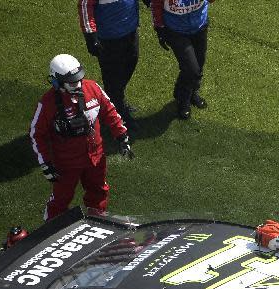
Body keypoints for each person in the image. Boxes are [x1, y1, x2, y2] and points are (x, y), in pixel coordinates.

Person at [30, 54, 134, 221]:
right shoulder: (47, 103)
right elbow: (36, 134)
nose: (77, 84)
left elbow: (110, 111)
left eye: (78, 79)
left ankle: (96, 222)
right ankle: (50, 229)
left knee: (99, 192)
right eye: (71, 82)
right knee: (61, 198)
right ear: (56, 81)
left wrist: (122, 136)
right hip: (66, 163)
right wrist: (45, 164)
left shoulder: (92, 88)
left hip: (96, 157)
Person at [78, 0, 141, 131]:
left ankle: (114, 102)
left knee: (130, 64)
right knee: (113, 77)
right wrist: (90, 36)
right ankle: (117, 114)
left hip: (130, 31)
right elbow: (85, 5)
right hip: (108, 39)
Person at [151, 0, 212, 119]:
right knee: (191, 69)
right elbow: (156, 3)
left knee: (199, 63)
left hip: (199, 25)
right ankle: (183, 99)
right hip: (176, 31)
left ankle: (192, 92)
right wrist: (160, 28)